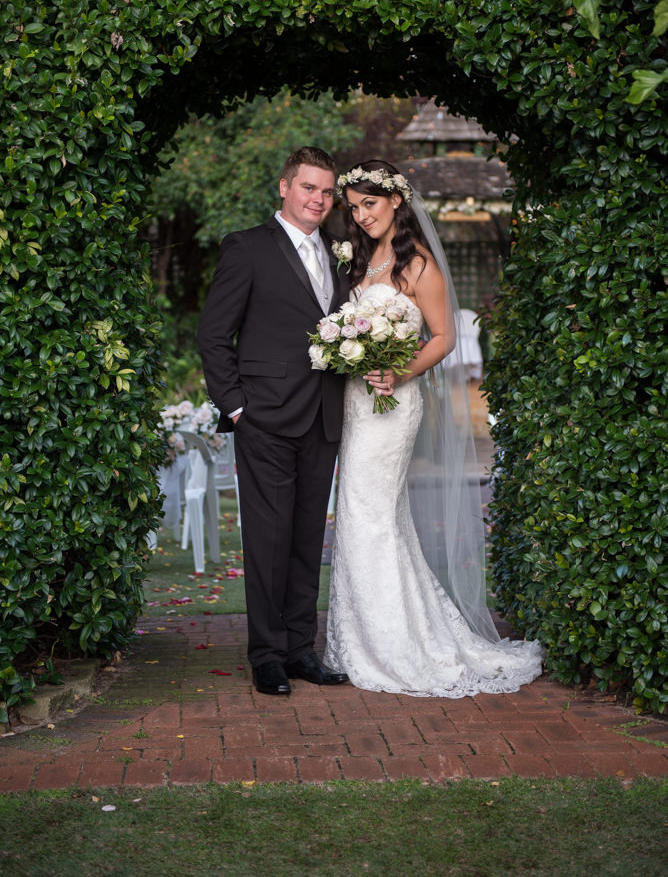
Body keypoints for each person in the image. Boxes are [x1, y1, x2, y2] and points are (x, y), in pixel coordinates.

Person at [324, 160, 543, 697]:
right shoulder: (356, 258)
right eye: (352, 207)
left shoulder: (419, 265)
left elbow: (443, 337)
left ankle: (395, 647)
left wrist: (398, 370)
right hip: (357, 399)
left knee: (369, 514)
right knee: (366, 516)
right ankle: (363, 638)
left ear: (397, 201)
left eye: (369, 204)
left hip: (393, 404)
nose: (360, 215)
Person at [198, 147, 350, 695]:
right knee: (267, 538)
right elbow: (214, 334)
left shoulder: (341, 252)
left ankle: (299, 649)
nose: (318, 199)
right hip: (263, 417)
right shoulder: (246, 247)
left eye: (326, 191)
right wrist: (236, 407)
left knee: (309, 537)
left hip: (324, 415)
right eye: (308, 187)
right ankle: (265, 655)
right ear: (284, 188)